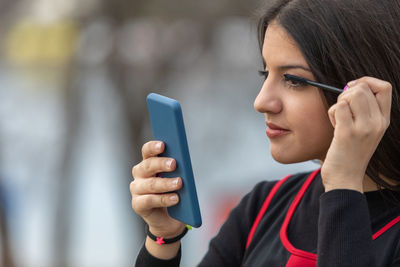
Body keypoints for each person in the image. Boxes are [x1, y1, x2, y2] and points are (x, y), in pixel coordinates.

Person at [130, 0, 400, 266]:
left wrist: (343, 183)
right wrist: (163, 238)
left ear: (368, 90)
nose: (261, 101)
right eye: (265, 73)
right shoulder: (262, 208)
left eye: (293, 80)